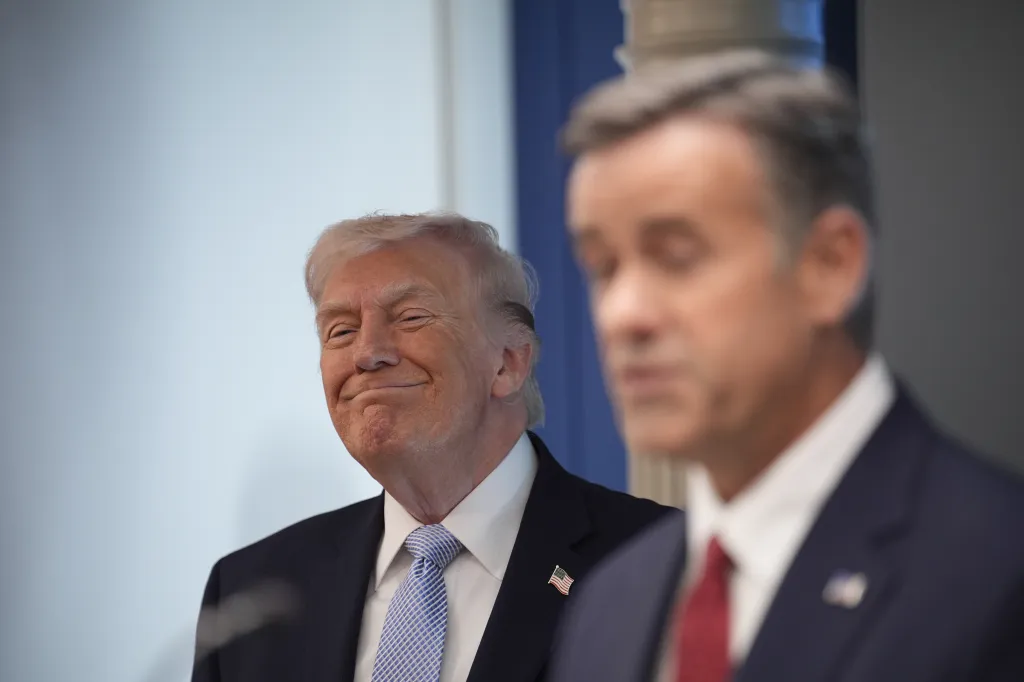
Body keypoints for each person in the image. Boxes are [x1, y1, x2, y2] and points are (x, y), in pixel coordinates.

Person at [548, 50, 1024, 682]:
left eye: (678, 256)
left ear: (830, 265)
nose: (621, 315)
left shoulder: (996, 571)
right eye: (604, 267)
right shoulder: (609, 604)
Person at [190, 212, 672, 682]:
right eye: (341, 330)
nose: (367, 353)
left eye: (411, 317)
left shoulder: (662, 564)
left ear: (506, 364)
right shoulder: (249, 595)